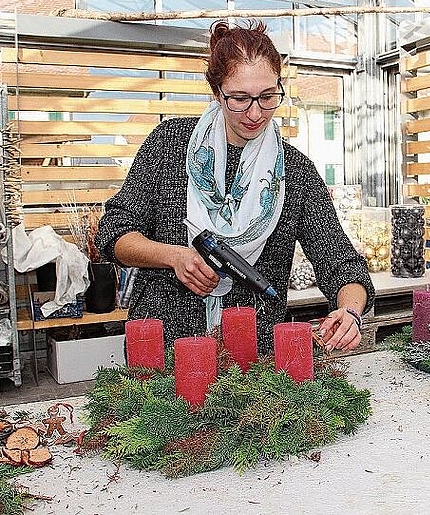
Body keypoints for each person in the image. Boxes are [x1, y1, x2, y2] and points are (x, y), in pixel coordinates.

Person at [95, 20, 374, 355]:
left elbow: (341, 261)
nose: (255, 113)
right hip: (164, 349)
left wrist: (351, 312)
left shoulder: (294, 171)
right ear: (217, 92)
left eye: (268, 97)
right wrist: (173, 256)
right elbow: (113, 235)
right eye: (240, 98)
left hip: (253, 358)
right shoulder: (169, 144)